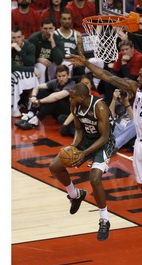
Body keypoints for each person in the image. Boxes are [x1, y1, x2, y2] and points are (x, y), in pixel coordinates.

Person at [68, 54, 142, 248]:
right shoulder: (136, 87)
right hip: (139, 145)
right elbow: (107, 76)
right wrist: (87, 64)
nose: (137, 77)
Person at [49, 83, 116, 241]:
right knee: (54, 167)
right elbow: (79, 129)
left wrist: (84, 154)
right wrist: (73, 148)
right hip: (86, 140)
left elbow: (105, 136)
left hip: (103, 144)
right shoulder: (75, 105)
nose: (70, 98)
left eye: (73, 96)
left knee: (94, 178)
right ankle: (75, 194)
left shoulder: (99, 107)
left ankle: (104, 219)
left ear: (82, 97)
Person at [16, 64, 75, 129]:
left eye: (64, 76)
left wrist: (39, 101)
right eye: (59, 76)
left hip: (67, 112)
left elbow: (57, 97)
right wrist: (33, 96)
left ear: (68, 75)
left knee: (54, 99)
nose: (61, 79)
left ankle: (37, 119)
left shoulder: (71, 84)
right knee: (41, 91)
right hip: (56, 110)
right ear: (56, 76)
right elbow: (37, 86)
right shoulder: (55, 82)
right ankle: (30, 114)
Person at [11, 27, 41, 117]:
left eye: (18, 37)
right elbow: (11, 67)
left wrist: (19, 50)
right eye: (13, 38)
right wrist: (31, 69)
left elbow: (30, 63)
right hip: (17, 71)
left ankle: (30, 104)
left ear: (23, 37)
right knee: (14, 77)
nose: (16, 40)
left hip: (24, 71)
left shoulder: (30, 46)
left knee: (29, 77)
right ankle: (14, 107)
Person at [28, 18, 65, 83]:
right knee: (41, 66)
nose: (48, 31)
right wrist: (38, 59)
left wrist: (52, 42)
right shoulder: (33, 39)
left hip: (53, 63)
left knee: (65, 65)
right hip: (38, 63)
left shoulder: (58, 39)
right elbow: (27, 57)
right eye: (45, 28)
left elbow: (59, 60)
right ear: (41, 29)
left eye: (50, 28)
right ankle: (40, 90)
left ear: (54, 29)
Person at [54, 9, 84, 77]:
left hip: (75, 63)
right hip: (60, 63)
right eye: (64, 19)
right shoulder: (54, 34)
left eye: (69, 19)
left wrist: (79, 60)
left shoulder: (77, 35)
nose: (67, 21)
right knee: (67, 64)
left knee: (97, 62)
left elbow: (81, 55)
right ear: (60, 20)